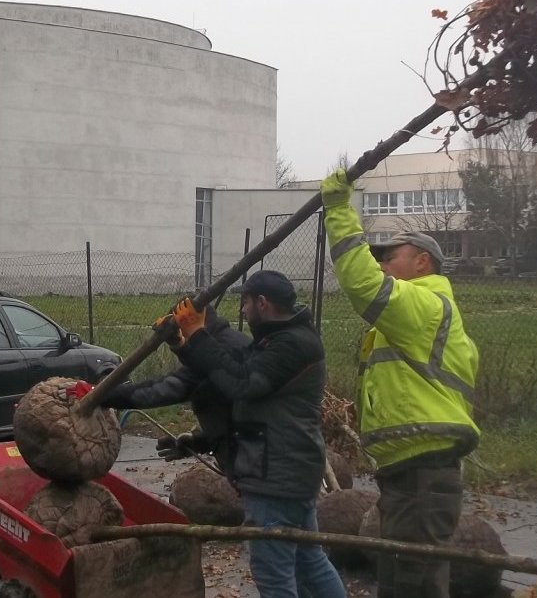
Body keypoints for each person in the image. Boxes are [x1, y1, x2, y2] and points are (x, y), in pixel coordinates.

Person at [320, 169, 481, 598]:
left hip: (422, 472)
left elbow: (362, 284)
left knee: (414, 583)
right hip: (411, 470)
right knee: (401, 581)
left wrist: (338, 211)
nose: (381, 263)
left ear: (422, 262)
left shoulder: (425, 305)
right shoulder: (419, 317)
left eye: (391, 256)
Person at [170, 270, 346, 598]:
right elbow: (231, 365)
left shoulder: (290, 344)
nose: (242, 310)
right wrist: (185, 345)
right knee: (309, 560)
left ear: (262, 303)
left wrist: (197, 333)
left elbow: (241, 383)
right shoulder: (281, 337)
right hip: (288, 468)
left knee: (274, 573)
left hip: (276, 473)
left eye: (246, 302)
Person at [101, 304, 248, 471]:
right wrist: (199, 442)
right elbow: (232, 413)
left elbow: (163, 390)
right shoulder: (234, 341)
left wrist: (98, 395)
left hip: (255, 470)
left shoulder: (222, 353)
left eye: (181, 328)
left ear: (193, 323)